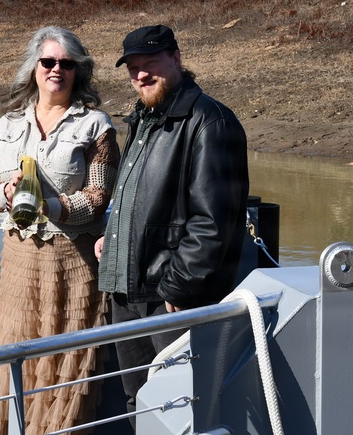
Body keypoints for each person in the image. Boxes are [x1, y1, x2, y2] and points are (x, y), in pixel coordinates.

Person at [95, 24, 249, 417]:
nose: (141, 74)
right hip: (127, 292)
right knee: (137, 403)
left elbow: (213, 223)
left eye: (151, 63)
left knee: (181, 406)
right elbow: (138, 197)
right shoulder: (143, 120)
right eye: (133, 67)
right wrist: (114, 237)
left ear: (176, 58)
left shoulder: (211, 121)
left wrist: (178, 288)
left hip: (169, 301)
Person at [0, 26, 120, 435]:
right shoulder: (6, 125)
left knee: (65, 367)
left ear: (78, 71)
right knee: (15, 358)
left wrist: (51, 207)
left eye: (66, 63)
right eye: (48, 62)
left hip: (73, 264)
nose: (57, 69)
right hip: (19, 263)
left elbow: (99, 196)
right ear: (33, 68)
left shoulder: (96, 126)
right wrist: (4, 193)